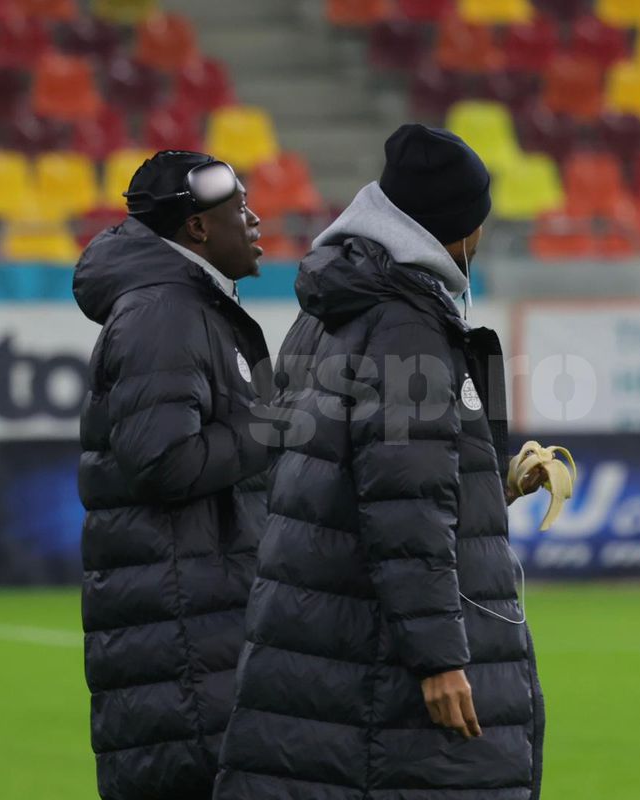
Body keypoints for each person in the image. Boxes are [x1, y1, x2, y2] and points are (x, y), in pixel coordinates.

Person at [215, 125, 547, 800]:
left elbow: (343, 474)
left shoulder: (330, 310)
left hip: (319, 636)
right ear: (455, 229)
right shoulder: (408, 322)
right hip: (381, 668)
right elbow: (403, 506)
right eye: (476, 224)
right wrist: (440, 661)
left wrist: (491, 482)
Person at [74, 150, 272, 800]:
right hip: (186, 658)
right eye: (239, 208)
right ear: (197, 229)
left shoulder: (188, 304)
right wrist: (278, 425)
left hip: (197, 640)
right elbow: (163, 460)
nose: (257, 219)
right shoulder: (166, 311)